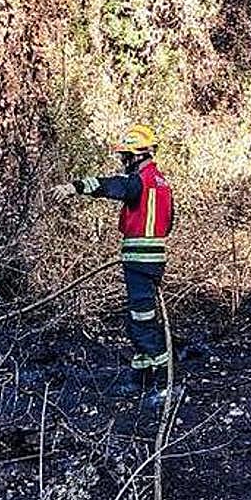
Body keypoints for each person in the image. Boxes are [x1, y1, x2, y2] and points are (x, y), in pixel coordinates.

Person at [48, 124, 174, 398]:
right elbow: (169, 223)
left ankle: (165, 384)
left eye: (125, 155)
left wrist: (74, 187)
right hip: (152, 260)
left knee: (142, 323)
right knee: (138, 319)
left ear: (136, 155)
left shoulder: (138, 181)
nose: (122, 160)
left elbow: (111, 186)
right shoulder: (162, 183)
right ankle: (140, 378)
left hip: (140, 262)